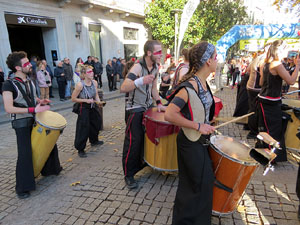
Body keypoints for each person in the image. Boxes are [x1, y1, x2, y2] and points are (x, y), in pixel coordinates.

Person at [164, 41, 216, 225]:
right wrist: (197, 126)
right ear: (208, 61)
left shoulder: (202, 81)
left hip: (199, 141)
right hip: (190, 142)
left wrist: (207, 121)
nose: (217, 61)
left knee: (200, 185)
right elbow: (170, 114)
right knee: (195, 187)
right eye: (215, 57)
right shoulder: (190, 86)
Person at [2, 51, 62, 199]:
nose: (30, 64)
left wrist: (40, 102)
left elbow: (32, 98)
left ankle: (50, 170)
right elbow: (9, 108)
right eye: (26, 63)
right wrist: (32, 109)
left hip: (35, 118)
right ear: (17, 68)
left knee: (46, 143)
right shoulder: (8, 84)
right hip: (21, 123)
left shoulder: (29, 80)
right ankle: (22, 188)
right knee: (25, 153)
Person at [120, 40, 165, 189]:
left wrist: (158, 102)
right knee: (133, 142)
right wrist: (140, 81)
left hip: (147, 107)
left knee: (145, 140)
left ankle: (142, 164)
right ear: (149, 53)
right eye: (158, 52)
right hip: (134, 109)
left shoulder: (156, 67)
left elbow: (153, 89)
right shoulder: (138, 67)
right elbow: (124, 87)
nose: (161, 54)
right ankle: (128, 174)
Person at [256, 40, 300, 162]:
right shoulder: (276, 64)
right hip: (270, 102)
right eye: (286, 49)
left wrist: (275, 85)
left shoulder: (265, 63)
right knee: (272, 130)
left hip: (264, 100)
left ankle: (265, 153)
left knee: (265, 129)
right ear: (280, 50)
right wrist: (298, 66)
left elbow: (261, 83)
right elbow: (291, 81)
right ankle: (271, 157)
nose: (288, 52)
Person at [72, 64, 104, 158]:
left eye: (92, 71)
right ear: (84, 74)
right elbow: (73, 98)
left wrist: (99, 102)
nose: (92, 73)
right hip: (84, 107)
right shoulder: (79, 85)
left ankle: (94, 140)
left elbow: (96, 95)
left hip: (92, 106)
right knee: (83, 128)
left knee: (96, 123)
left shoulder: (94, 82)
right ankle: (80, 148)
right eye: (89, 72)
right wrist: (85, 100)